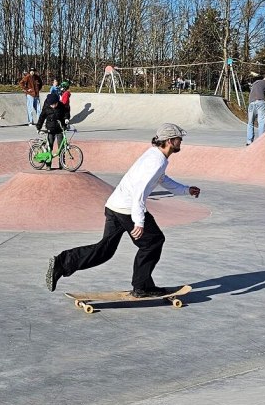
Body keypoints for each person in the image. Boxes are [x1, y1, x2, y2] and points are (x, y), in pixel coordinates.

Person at [44, 123, 201, 297]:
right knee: (153, 241)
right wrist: (139, 222)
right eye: (179, 138)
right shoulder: (156, 160)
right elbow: (139, 192)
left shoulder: (155, 156)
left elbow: (163, 180)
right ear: (171, 140)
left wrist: (186, 189)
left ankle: (62, 262)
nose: (181, 142)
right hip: (127, 208)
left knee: (104, 251)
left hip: (115, 206)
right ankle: (142, 286)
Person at [34, 92, 70, 170]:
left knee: (62, 147)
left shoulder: (61, 105)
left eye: (55, 104)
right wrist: (38, 127)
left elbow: (66, 112)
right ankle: (48, 165)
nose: (53, 106)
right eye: (52, 105)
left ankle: (62, 164)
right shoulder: (46, 107)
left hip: (60, 129)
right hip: (50, 129)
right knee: (49, 146)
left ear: (57, 102)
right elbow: (42, 117)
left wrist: (67, 118)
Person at [246, 72, 265, 144]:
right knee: (261, 122)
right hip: (260, 102)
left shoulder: (254, 84)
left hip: (251, 103)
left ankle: (249, 141)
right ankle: (261, 141)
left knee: (250, 122)